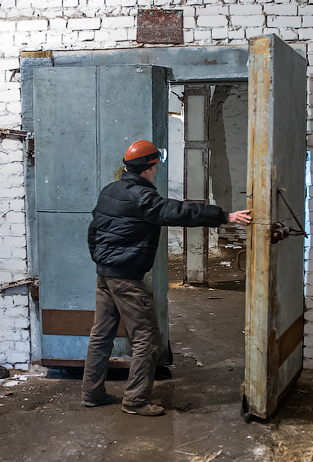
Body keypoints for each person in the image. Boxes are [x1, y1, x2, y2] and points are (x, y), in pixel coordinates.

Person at [82, 140, 252, 416]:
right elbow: (179, 211)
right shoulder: (143, 197)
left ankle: (92, 393)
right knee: (146, 338)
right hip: (126, 279)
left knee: (101, 334)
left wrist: (101, 260)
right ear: (150, 167)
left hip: (105, 274)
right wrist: (225, 216)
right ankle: (136, 400)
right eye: (155, 166)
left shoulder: (110, 191)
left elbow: (94, 231)